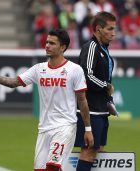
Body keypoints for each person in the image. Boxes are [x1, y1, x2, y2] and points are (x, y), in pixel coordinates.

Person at [0, 29, 94, 171]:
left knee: (52, 167)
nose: (47, 46)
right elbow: (13, 82)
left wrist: (88, 129)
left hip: (65, 126)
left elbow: (82, 100)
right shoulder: (39, 69)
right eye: (46, 42)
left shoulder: (75, 70)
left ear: (63, 47)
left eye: (52, 43)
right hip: (44, 128)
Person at [74, 11, 118, 171]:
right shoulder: (91, 47)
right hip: (90, 111)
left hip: (100, 110)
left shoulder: (104, 49)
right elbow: (86, 75)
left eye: (114, 29)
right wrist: (106, 86)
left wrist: (108, 101)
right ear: (99, 29)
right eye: (110, 29)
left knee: (97, 151)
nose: (114, 33)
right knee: (89, 152)